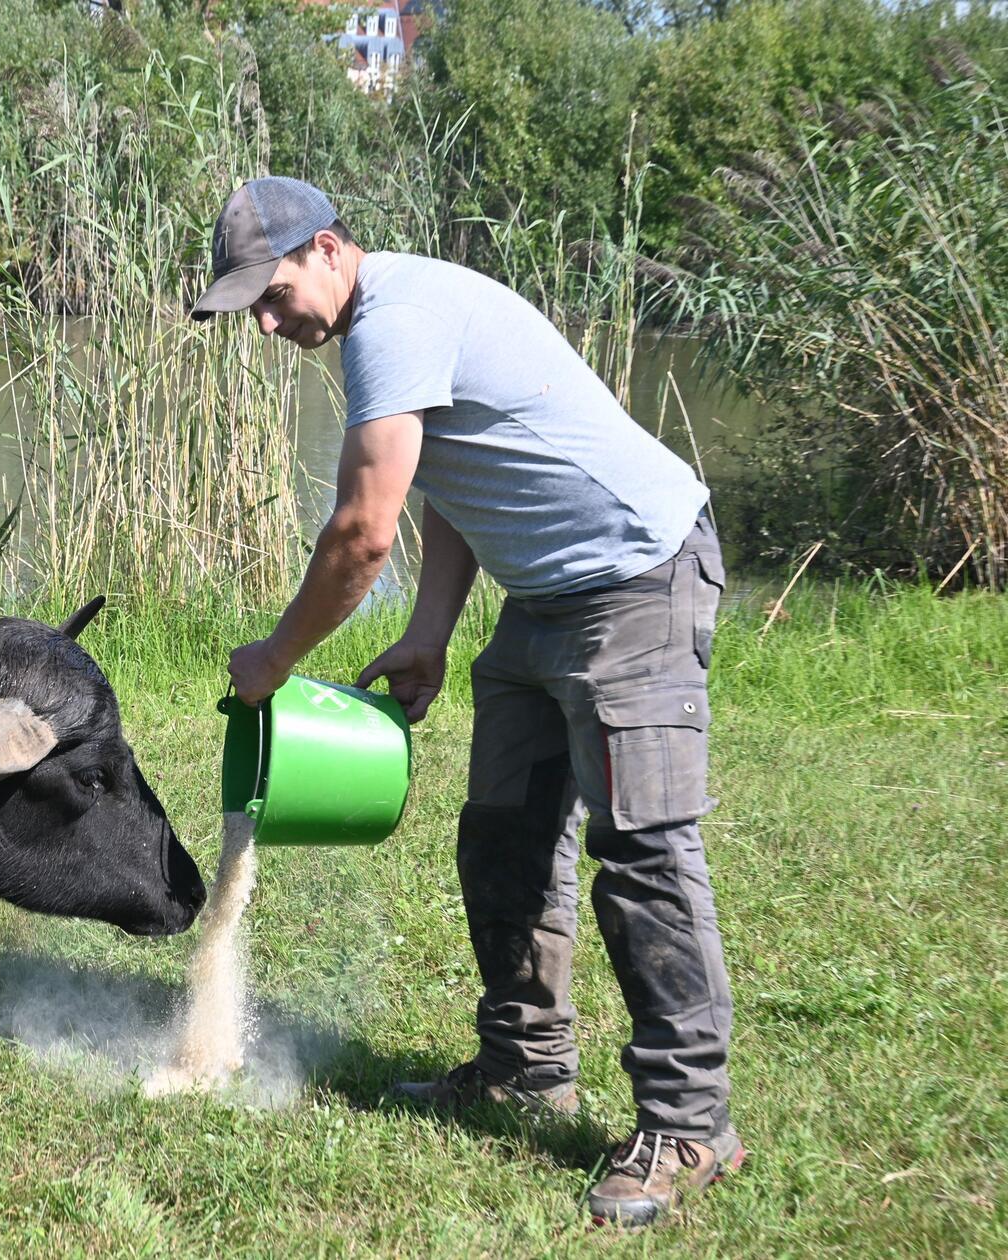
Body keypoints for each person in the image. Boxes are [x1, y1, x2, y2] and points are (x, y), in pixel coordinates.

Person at [193, 176, 740, 1228]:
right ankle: (524, 1062)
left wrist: (273, 656)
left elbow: (361, 533)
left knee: (642, 854)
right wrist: (430, 631)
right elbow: (446, 479)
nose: (264, 322)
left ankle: (688, 1124)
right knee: (500, 834)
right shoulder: (383, 321)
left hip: (634, 580)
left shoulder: (392, 320)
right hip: (540, 598)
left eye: (269, 294)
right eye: (248, 307)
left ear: (326, 248)